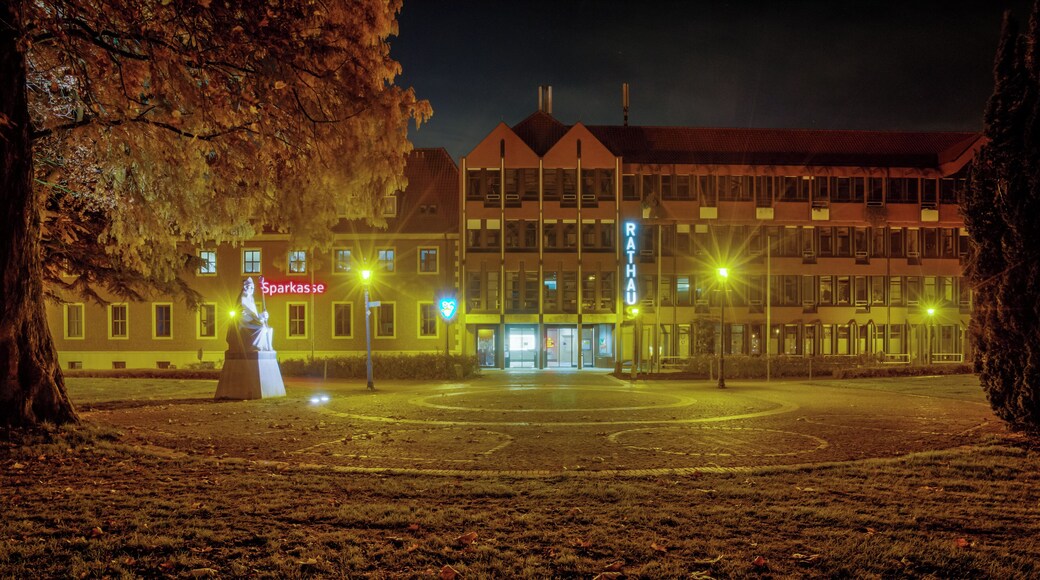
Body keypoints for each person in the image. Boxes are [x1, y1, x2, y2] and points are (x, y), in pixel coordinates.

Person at [228, 277, 273, 351]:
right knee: (261, 328)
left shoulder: (251, 298)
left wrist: (263, 315)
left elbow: (254, 315)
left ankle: (268, 348)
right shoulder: (243, 299)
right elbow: (246, 315)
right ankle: (255, 346)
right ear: (245, 287)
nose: (252, 289)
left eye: (253, 287)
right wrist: (259, 318)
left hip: (252, 321)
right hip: (245, 323)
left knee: (269, 329)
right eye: (250, 287)